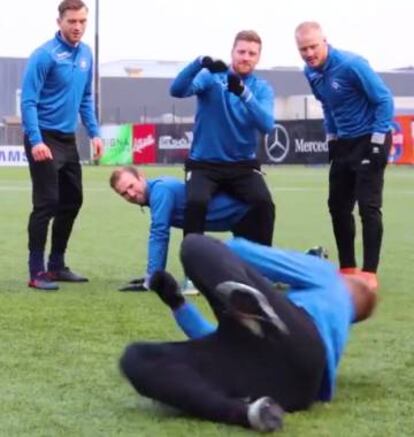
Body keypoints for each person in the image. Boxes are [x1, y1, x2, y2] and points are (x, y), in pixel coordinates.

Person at [119, 234, 377, 432]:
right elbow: (223, 344)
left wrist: (233, 270)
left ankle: (251, 310)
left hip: (297, 337)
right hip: (295, 388)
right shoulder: (337, 331)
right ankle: (245, 413)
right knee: (137, 357)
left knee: (196, 246)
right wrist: (177, 303)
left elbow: (242, 251)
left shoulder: (328, 276)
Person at [295, 21, 394, 291]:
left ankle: (369, 273)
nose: (309, 54)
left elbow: (384, 100)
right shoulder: (310, 72)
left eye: (313, 47)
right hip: (345, 143)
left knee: (368, 206)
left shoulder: (352, 64)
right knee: (337, 206)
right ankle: (348, 268)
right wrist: (332, 138)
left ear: (324, 41)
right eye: (303, 49)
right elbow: (327, 105)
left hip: (371, 139)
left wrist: (376, 143)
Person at [21, 0, 103, 291]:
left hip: (68, 140)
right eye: (72, 21)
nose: (77, 27)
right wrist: (36, 140)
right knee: (46, 203)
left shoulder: (86, 55)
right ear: (59, 22)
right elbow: (28, 100)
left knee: (73, 200)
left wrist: (94, 133)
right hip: (43, 136)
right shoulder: (44, 55)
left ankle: (56, 265)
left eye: (82, 21)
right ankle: (36, 271)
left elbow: (85, 98)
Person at [170, 30, 276, 246]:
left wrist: (244, 94)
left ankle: (261, 269)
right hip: (204, 164)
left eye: (252, 53)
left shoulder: (261, 88)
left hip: (242, 166)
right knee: (196, 202)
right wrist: (199, 63)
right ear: (232, 52)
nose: (246, 57)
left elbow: (266, 125)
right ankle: (193, 270)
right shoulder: (212, 77)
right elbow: (177, 90)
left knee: (264, 204)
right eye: (242, 51)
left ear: (258, 57)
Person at [110, 166, 264, 292]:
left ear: (141, 177)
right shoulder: (158, 189)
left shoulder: (160, 190)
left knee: (258, 280)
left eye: (131, 186)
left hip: (245, 214)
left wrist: (152, 278)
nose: (130, 194)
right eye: (124, 193)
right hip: (238, 218)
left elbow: (159, 233)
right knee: (253, 276)